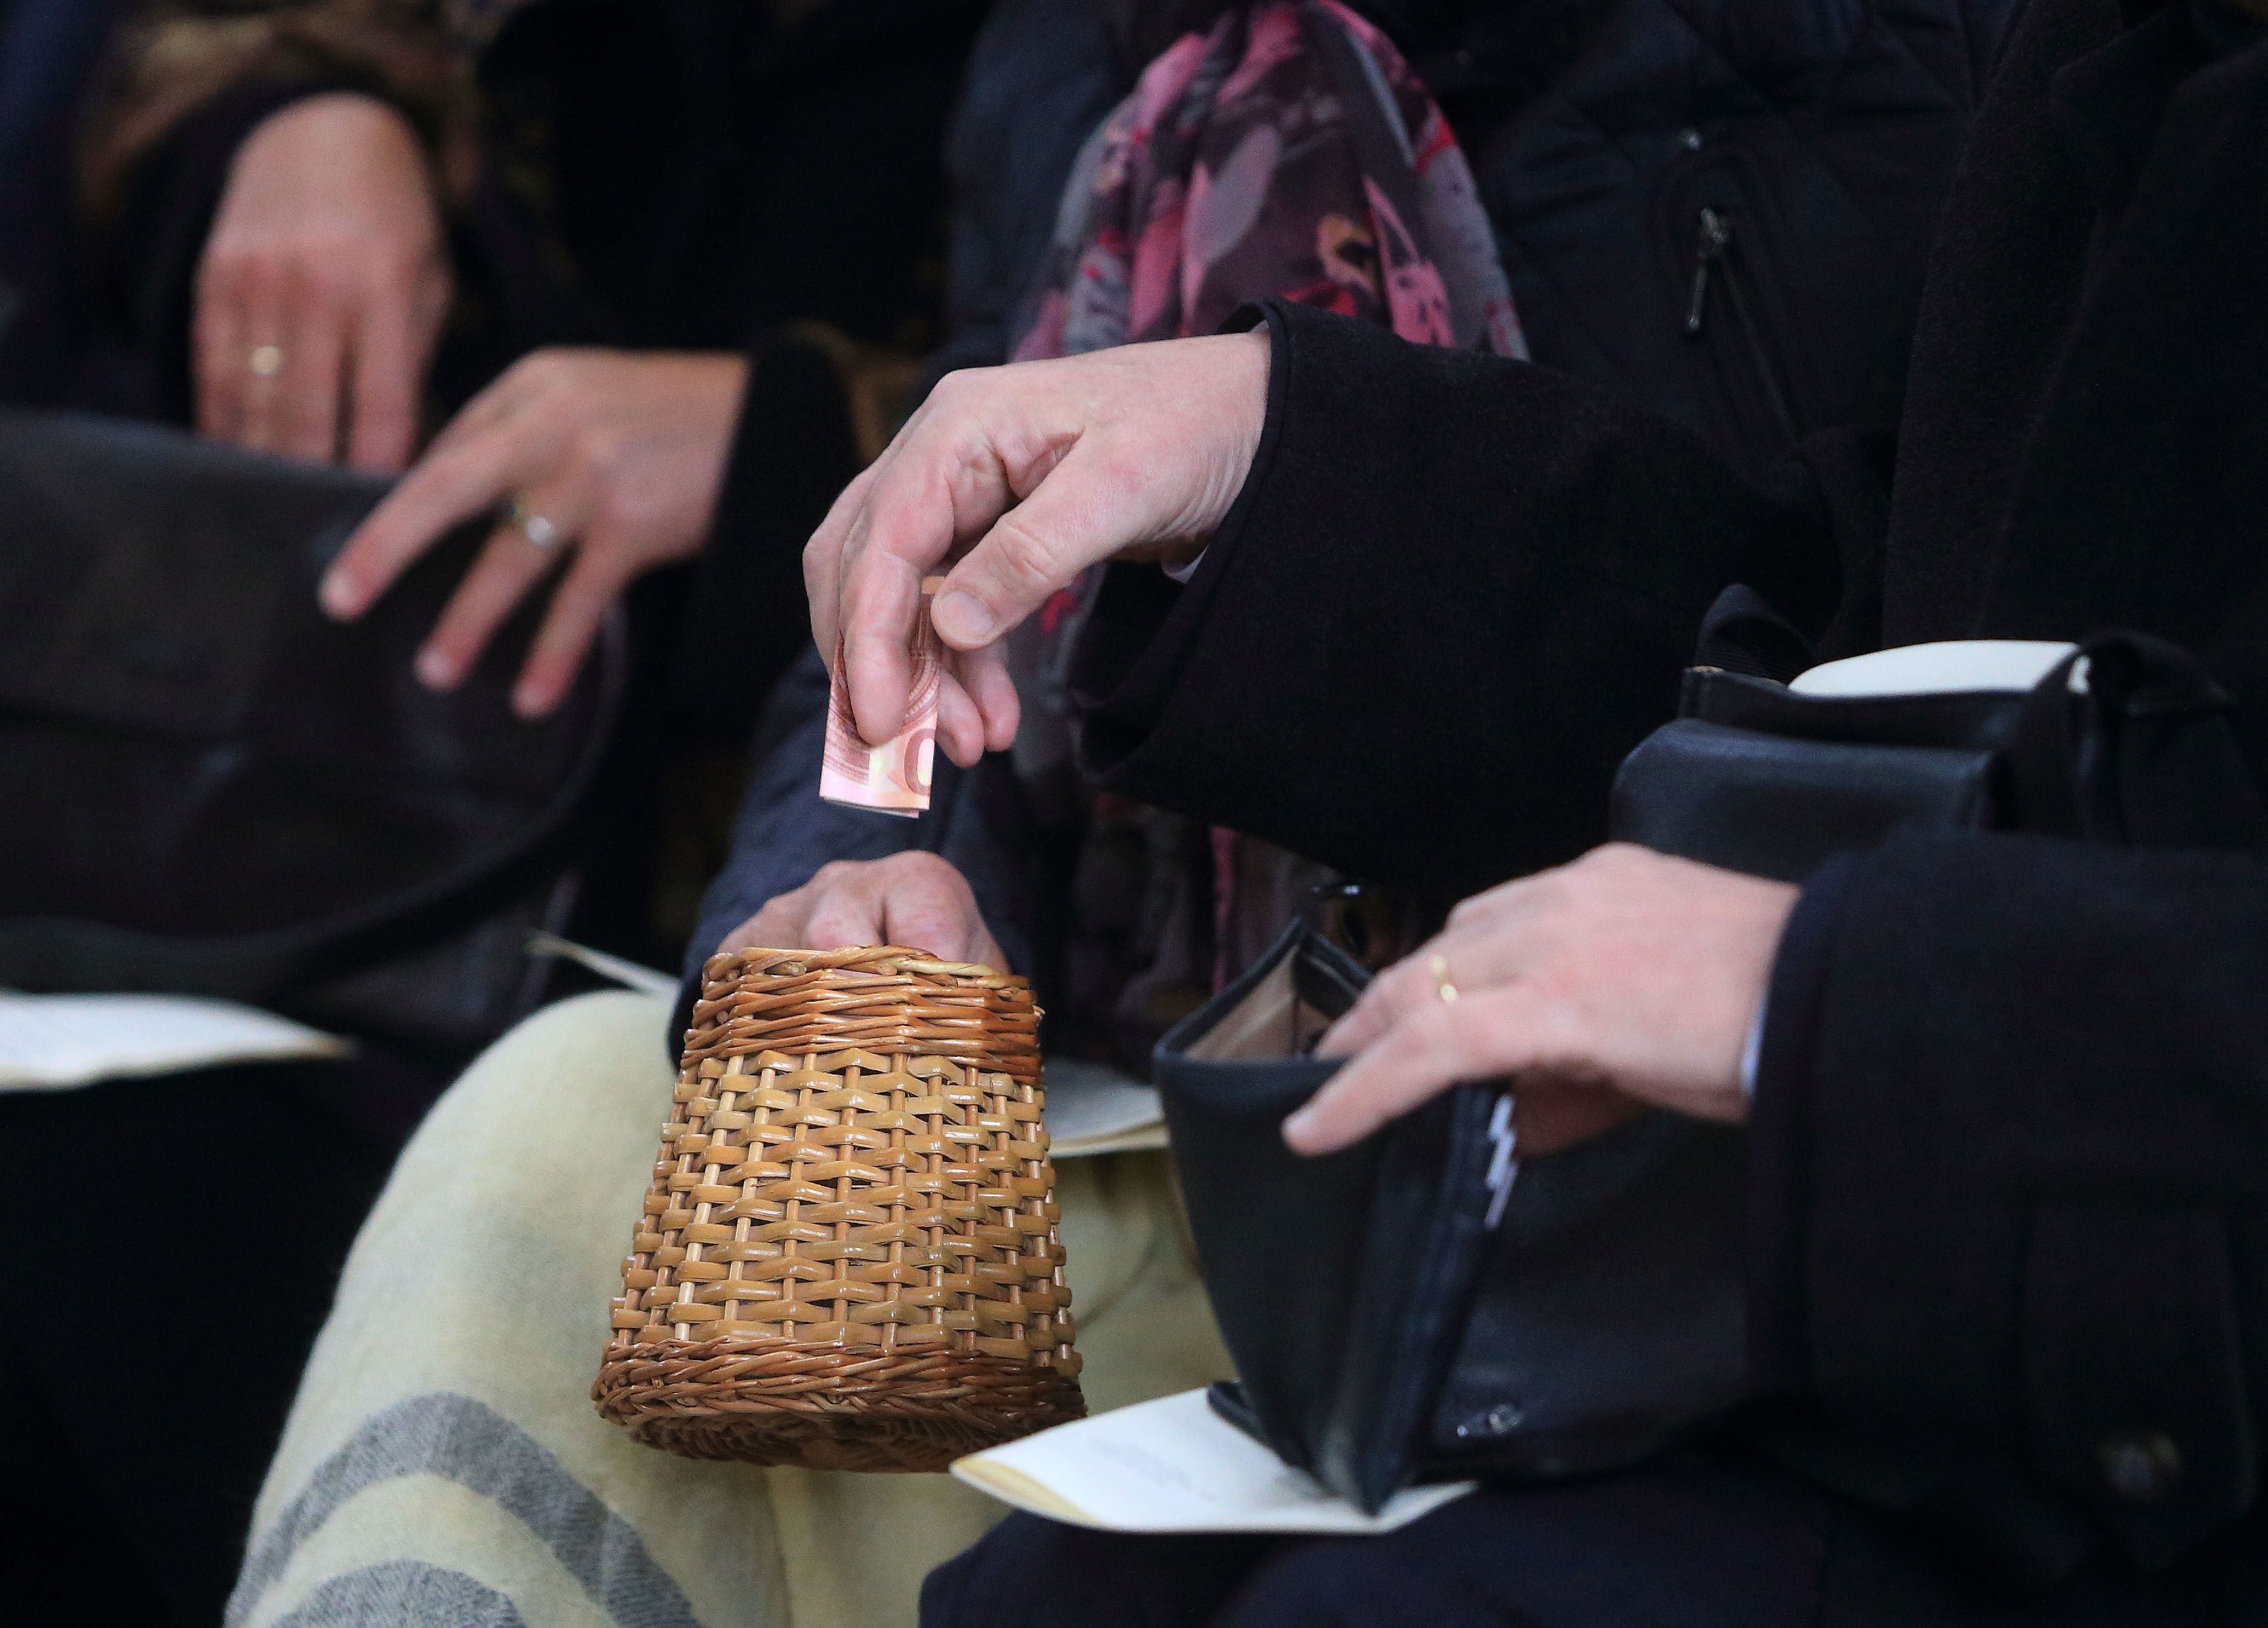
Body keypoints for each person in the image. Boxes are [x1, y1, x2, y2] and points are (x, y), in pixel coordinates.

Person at [808, 0, 2268, 1618]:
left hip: (2071, 1297)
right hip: (1890, 1267)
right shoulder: (2101, 56)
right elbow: (1838, 626)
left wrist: (1838, 992)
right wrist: (1272, 455)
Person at [76, 0, 985, 719]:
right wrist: (293, 115)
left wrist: (814, 438)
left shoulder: (1088, 53)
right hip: (320, 727)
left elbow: (1096, 411)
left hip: (836, 795)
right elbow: (158, 46)